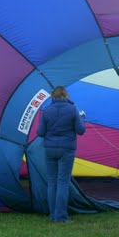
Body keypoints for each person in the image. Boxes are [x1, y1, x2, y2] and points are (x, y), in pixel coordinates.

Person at [36, 85, 86, 223]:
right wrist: (82, 119)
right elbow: (80, 130)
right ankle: (61, 217)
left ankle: (53, 216)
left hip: (50, 149)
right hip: (66, 149)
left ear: (53, 96)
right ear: (66, 96)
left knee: (52, 182)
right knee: (63, 182)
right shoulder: (72, 109)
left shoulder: (46, 110)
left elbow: (40, 132)